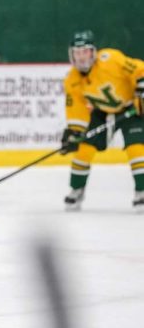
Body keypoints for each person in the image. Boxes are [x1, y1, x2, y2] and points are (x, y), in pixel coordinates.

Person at [60, 30, 144, 212]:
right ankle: (77, 188)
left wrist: (142, 89)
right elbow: (76, 109)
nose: (81, 57)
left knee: (136, 148)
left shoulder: (110, 59)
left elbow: (139, 69)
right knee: (83, 149)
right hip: (101, 113)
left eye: (85, 52)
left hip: (131, 108)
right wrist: (74, 131)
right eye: (77, 53)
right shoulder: (72, 80)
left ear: (93, 52)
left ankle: (142, 191)